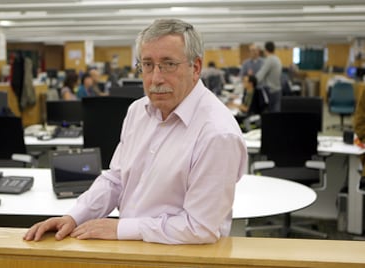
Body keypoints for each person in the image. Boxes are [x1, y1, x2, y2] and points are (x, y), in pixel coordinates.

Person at [23, 18, 247, 245]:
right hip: (131, 248)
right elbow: (117, 179)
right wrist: (74, 216)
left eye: (168, 64)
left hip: (182, 256)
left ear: (195, 67)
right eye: (147, 65)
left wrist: (122, 228)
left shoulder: (217, 134)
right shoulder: (138, 111)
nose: (156, 78)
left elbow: (200, 228)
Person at [256, 41, 282, 112]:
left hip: (271, 91)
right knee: (275, 113)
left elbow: (260, 76)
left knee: (270, 114)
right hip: (277, 90)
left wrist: (252, 80)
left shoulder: (269, 60)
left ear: (265, 49)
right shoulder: (277, 59)